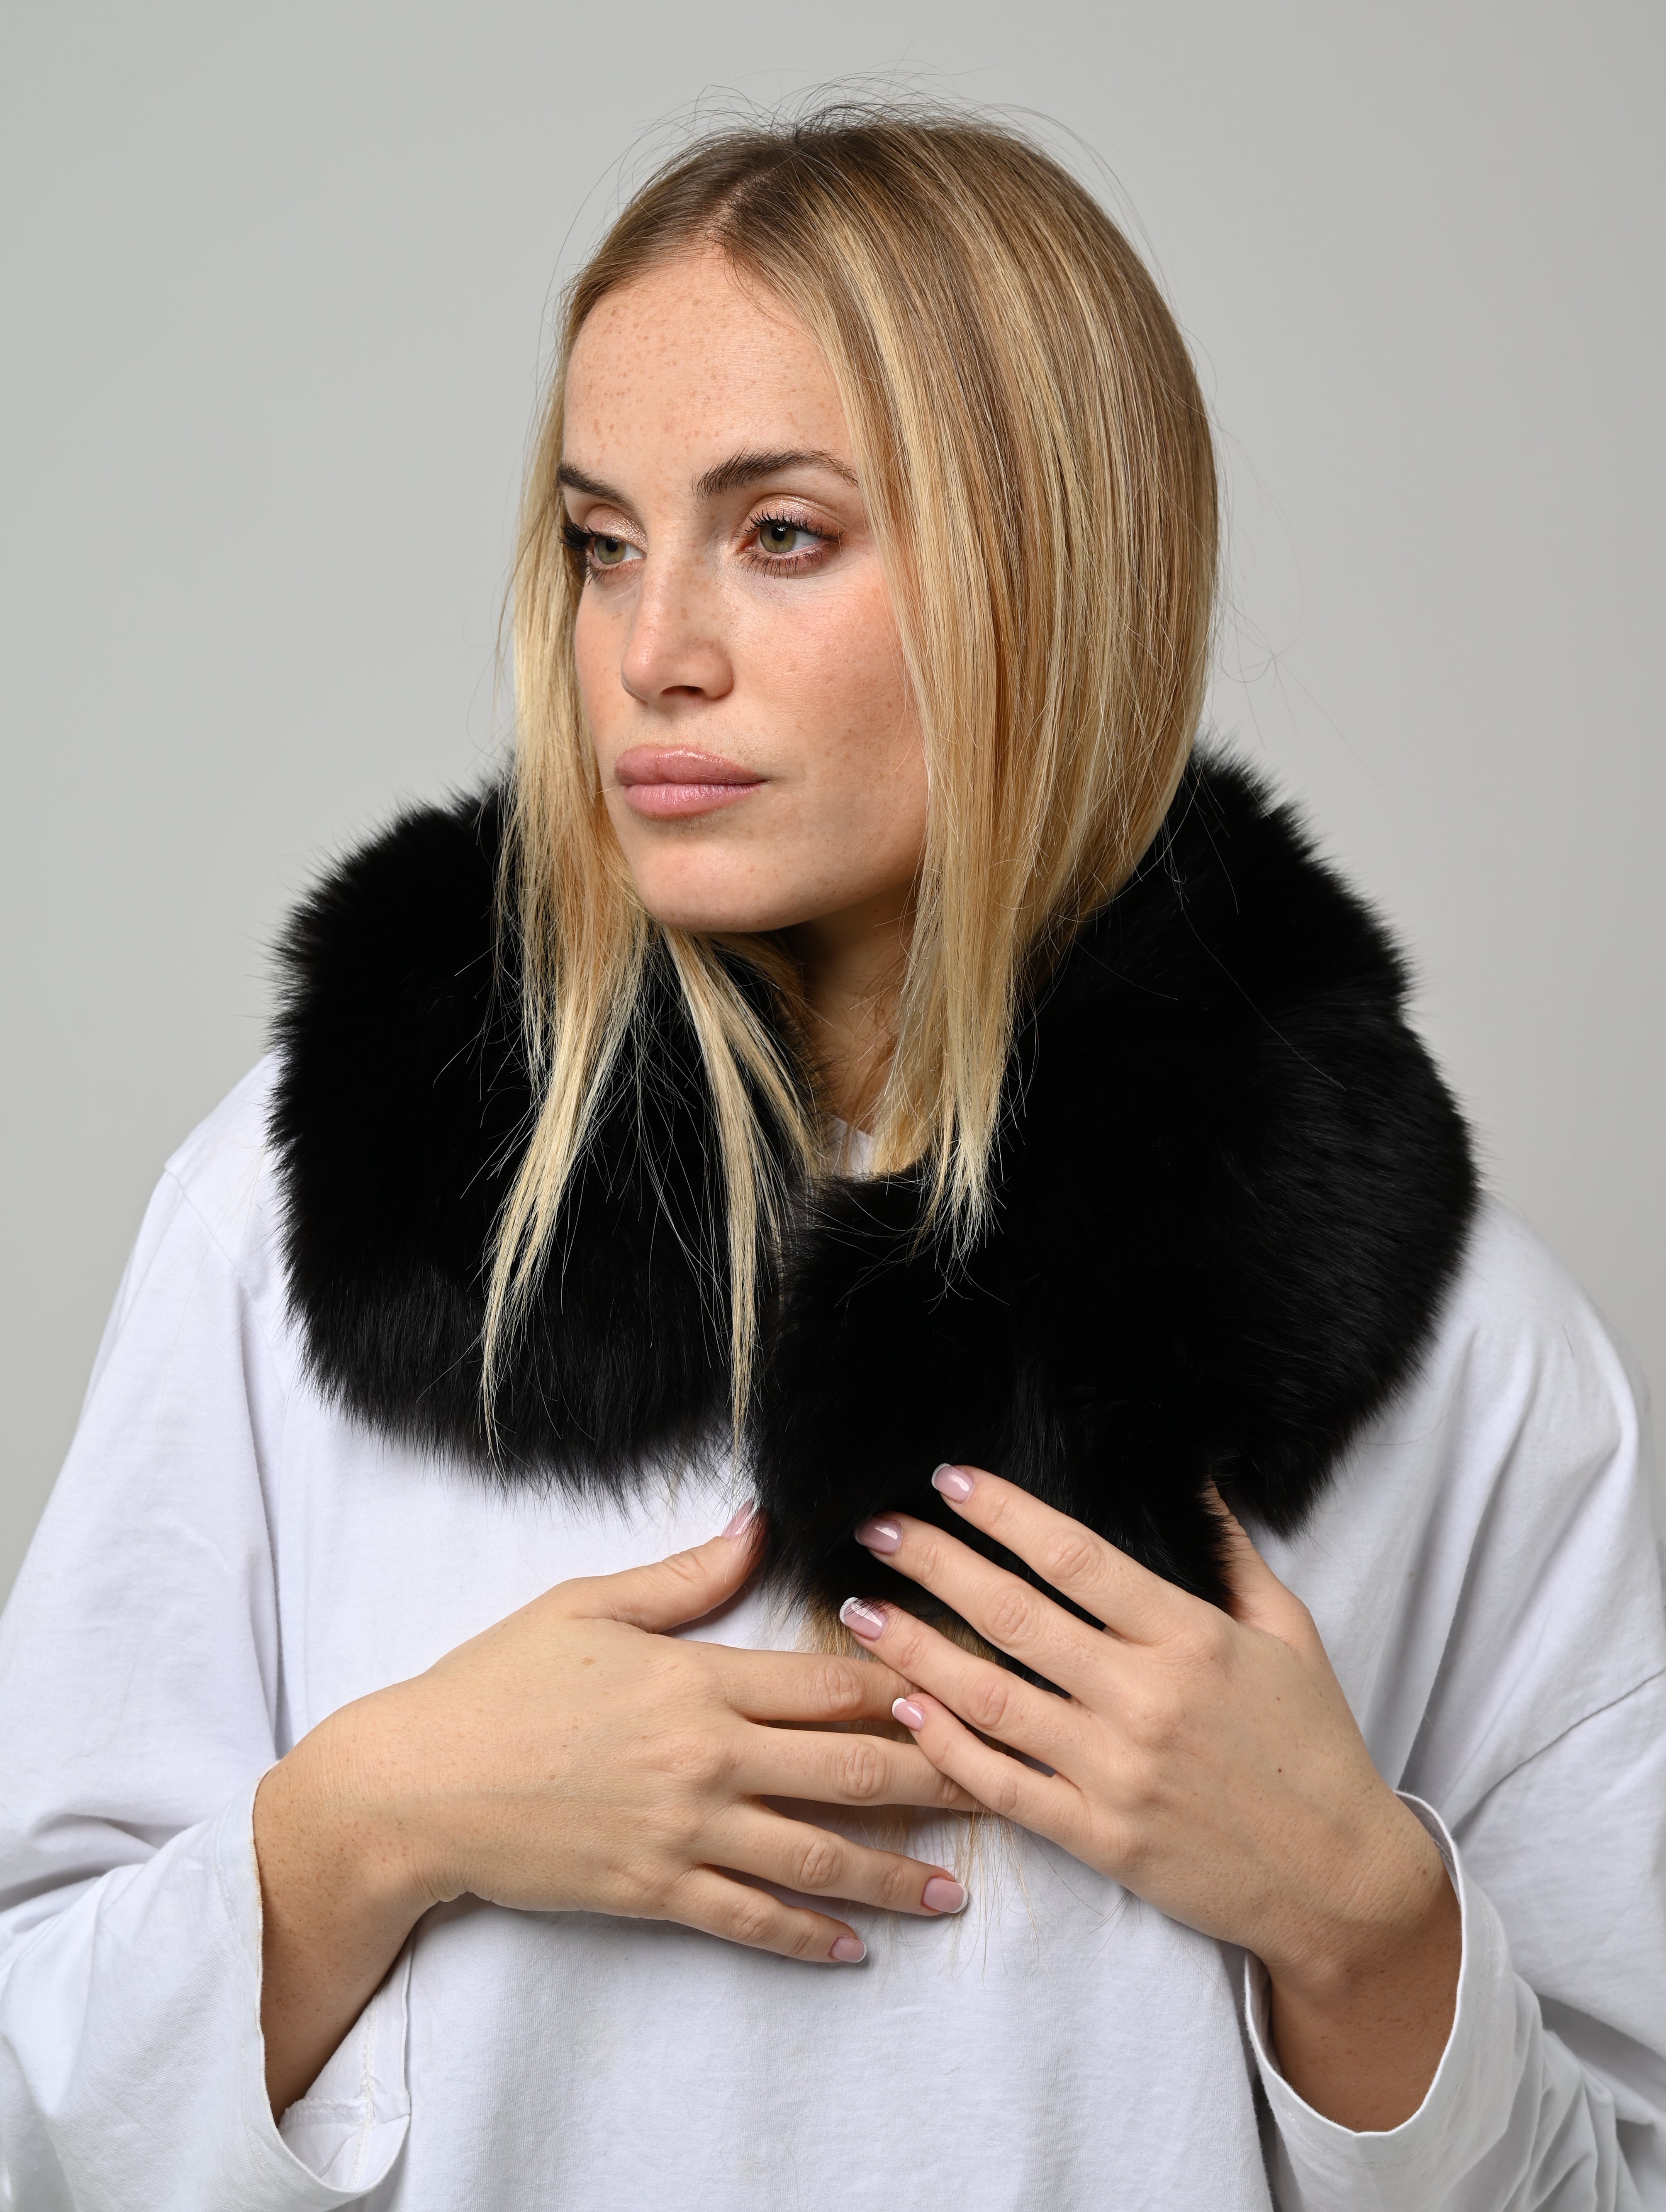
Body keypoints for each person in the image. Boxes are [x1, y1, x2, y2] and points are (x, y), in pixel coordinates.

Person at [0, 108, 1661, 2212]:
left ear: (1051, 565)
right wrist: (376, 1820)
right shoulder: (295, 1210)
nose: (650, 653)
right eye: (603, 542)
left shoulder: (1458, 1348)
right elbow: (35, 2093)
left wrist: (1359, 1923)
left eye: (779, 534)